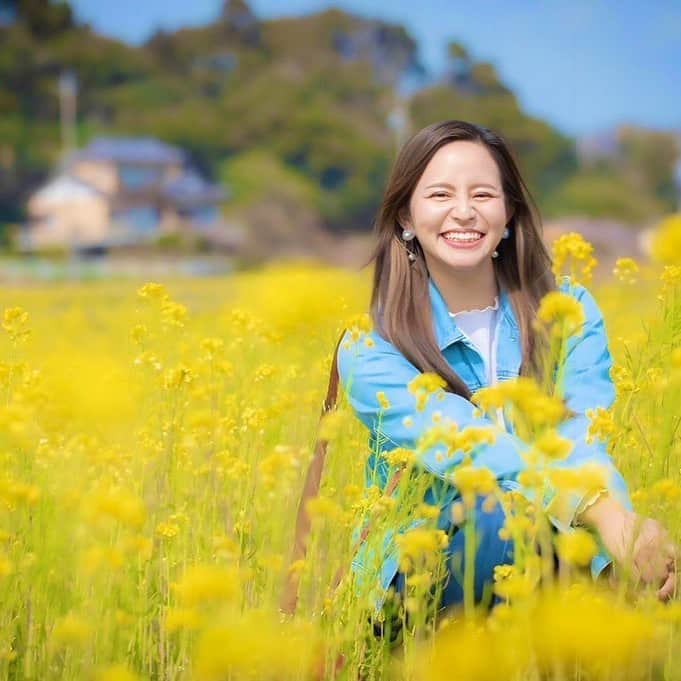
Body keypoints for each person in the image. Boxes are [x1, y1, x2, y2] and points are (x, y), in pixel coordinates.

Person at [336, 120, 677, 634]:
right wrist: (603, 517)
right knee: (499, 518)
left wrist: (623, 541)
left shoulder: (568, 313)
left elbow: (583, 434)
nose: (465, 211)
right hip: (422, 574)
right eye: (441, 194)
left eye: (483, 194)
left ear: (510, 211)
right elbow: (469, 448)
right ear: (406, 214)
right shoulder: (371, 345)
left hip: (555, 542)